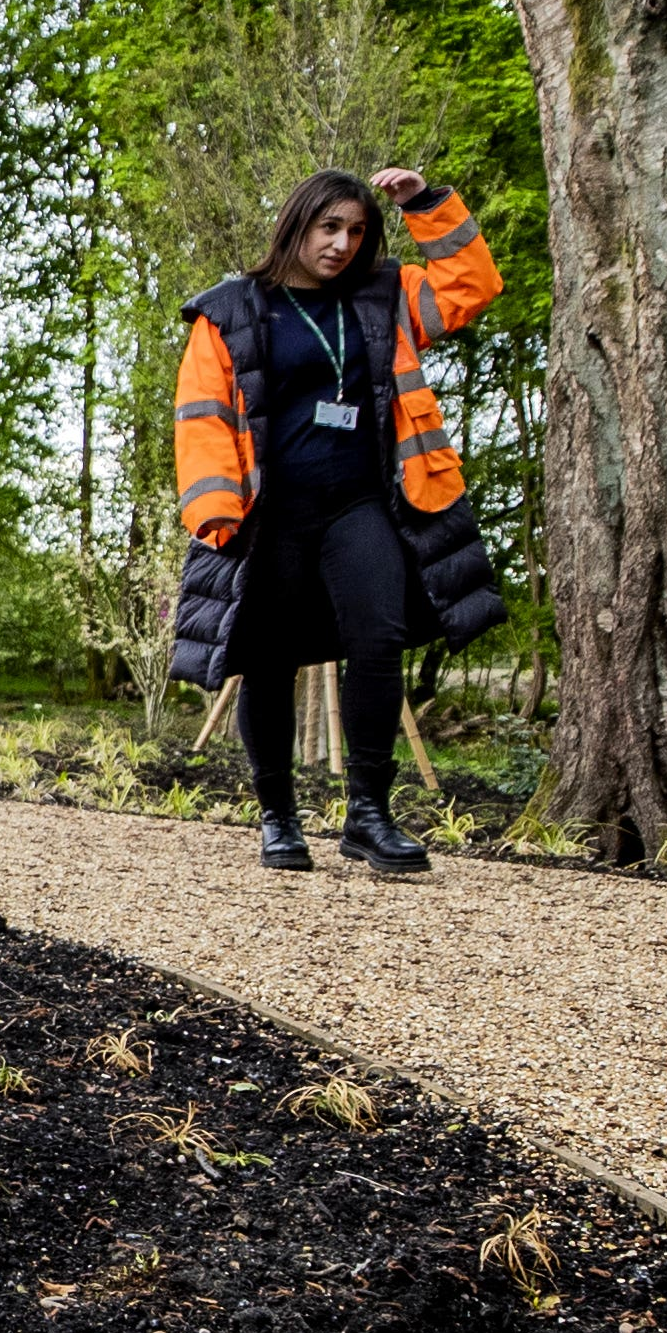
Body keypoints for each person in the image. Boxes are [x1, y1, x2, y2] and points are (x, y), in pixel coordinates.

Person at [167, 167, 508, 872]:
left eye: (355, 230)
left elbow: (471, 286)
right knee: (268, 661)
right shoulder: (233, 307)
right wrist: (213, 512)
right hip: (272, 517)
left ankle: (369, 816)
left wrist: (425, 203)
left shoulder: (387, 297)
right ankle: (278, 818)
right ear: (296, 224)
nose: (343, 244)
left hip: (362, 505)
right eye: (330, 228)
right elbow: (200, 415)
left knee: (379, 639)